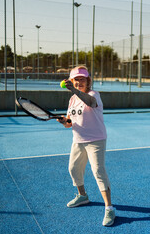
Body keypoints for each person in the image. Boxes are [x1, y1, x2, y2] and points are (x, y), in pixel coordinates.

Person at [57, 66, 115, 227]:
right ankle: (83, 196)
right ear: (71, 81)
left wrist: (74, 91)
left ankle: (109, 208)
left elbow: (90, 102)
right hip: (78, 140)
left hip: (96, 140)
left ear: (88, 81)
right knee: (73, 168)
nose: (79, 82)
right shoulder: (72, 100)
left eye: (82, 79)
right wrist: (64, 121)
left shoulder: (93, 94)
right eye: (76, 79)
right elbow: (70, 122)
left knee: (98, 171)